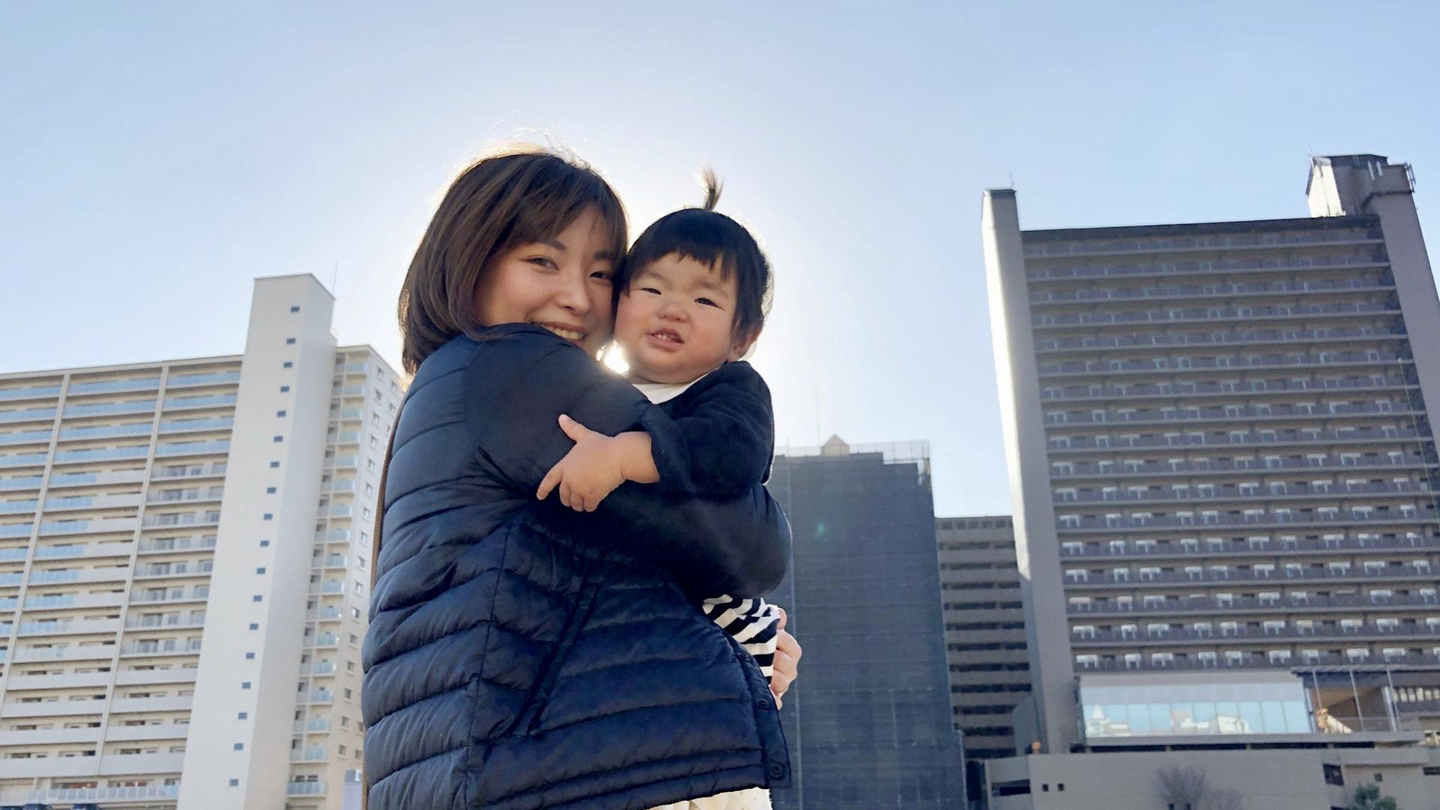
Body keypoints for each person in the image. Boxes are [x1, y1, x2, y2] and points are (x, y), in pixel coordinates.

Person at [362, 146, 798, 810]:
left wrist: (742, 642)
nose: (576, 298)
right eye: (543, 261)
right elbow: (753, 546)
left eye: (601, 274)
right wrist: (751, 630)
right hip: (584, 772)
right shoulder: (514, 368)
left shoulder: (445, 390)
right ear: (469, 258)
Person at [535, 171, 783, 810]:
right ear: (618, 303)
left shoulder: (728, 391)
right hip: (627, 657)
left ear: (743, 338)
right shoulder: (591, 391)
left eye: (705, 300)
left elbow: (733, 453)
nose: (673, 308)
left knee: (724, 790)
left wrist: (625, 455)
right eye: (651, 288)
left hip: (720, 630)